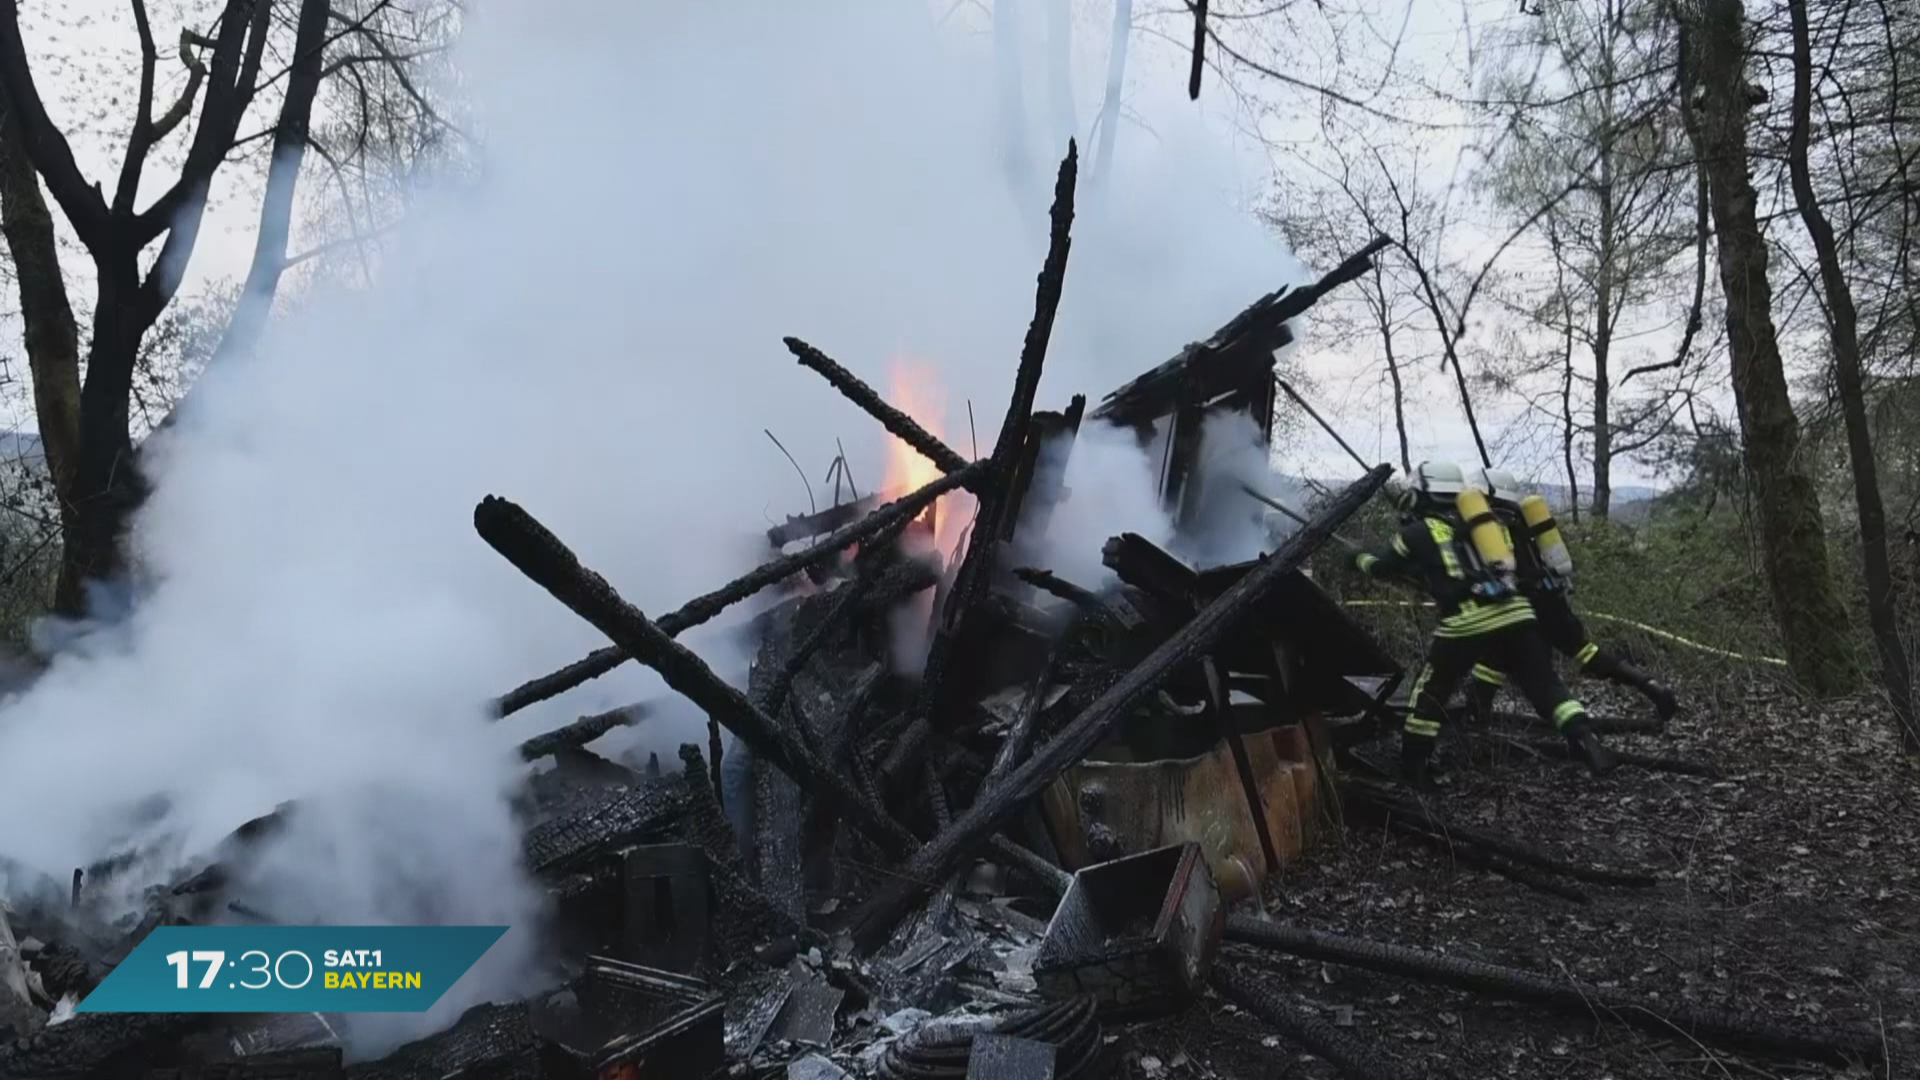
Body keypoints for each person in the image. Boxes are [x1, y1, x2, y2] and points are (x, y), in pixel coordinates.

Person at [1353, 461, 1619, 788]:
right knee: (1547, 687)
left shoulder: (1416, 532)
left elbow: (1382, 567)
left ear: (1423, 494)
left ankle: (1415, 768)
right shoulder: (1489, 523)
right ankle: (1587, 741)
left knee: (1430, 692)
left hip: (1466, 622)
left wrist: (1356, 558)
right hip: (1518, 614)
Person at [1466, 468, 1680, 726]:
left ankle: (1478, 722)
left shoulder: (1489, 528)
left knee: (1492, 660)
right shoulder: (1525, 520)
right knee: (1585, 652)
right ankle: (1651, 686)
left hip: (1522, 607)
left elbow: (1498, 573)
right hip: (1552, 598)